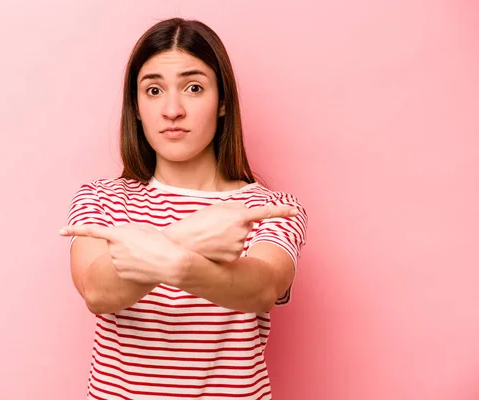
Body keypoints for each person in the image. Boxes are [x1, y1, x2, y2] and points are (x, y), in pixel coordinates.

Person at [59, 17, 307, 400]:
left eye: (193, 88)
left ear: (223, 102)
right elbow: (97, 291)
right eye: (154, 90)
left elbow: (261, 289)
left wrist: (171, 262)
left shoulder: (270, 208)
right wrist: (188, 237)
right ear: (137, 108)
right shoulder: (100, 198)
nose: (172, 110)